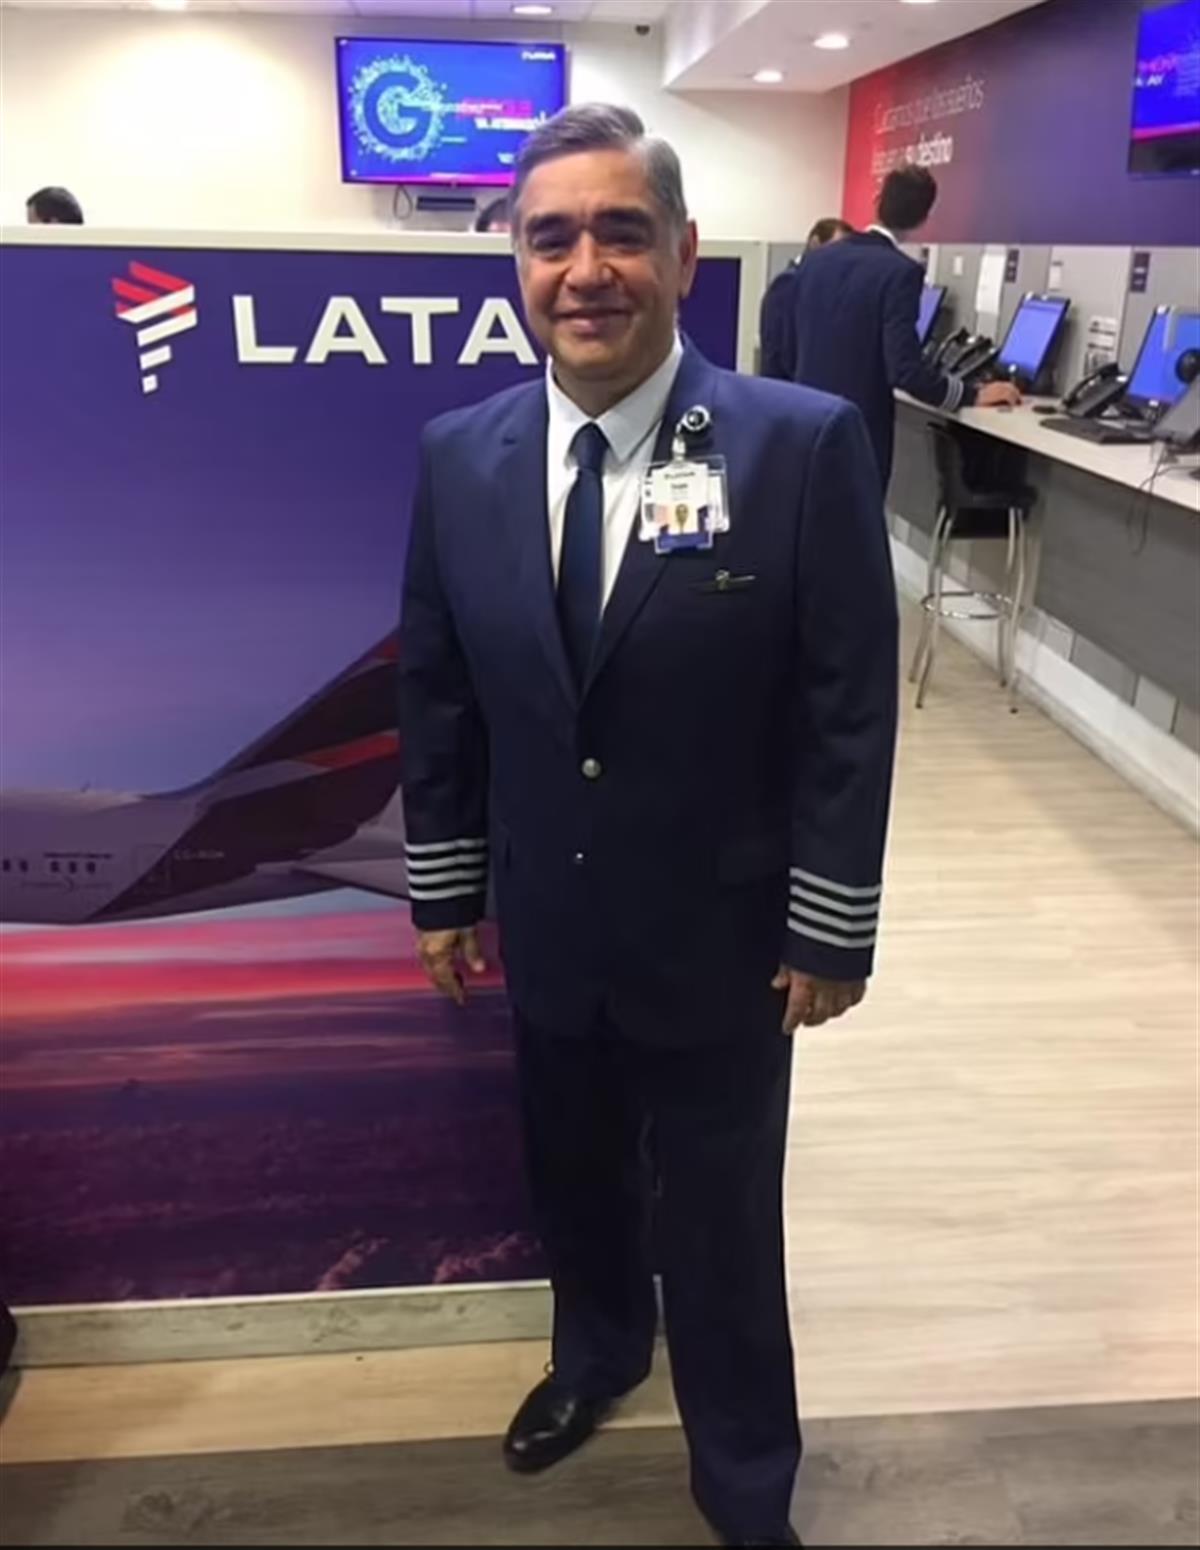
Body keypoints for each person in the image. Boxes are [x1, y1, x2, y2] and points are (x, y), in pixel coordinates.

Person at [398, 103, 898, 1548]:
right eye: (551, 237)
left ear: (683, 254)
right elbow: (439, 687)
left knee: (723, 1223)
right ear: (517, 262)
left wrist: (831, 925)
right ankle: (598, 1352)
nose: (586, 269)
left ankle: (744, 1476)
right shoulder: (460, 454)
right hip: (549, 918)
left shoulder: (798, 443)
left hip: (726, 936)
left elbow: (848, 703)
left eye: (621, 232)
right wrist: (446, 889)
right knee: (575, 1176)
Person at [763, 165, 1020, 487]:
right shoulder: (901, 272)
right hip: (856, 436)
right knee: (855, 518)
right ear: (924, 219)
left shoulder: (816, 261)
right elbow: (905, 371)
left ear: (877, 200)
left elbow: (788, 347)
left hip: (806, 423)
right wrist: (970, 394)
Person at [759, 215, 853, 379]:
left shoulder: (823, 285)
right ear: (815, 243)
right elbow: (781, 350)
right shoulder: (788, 283)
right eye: (836, 248)